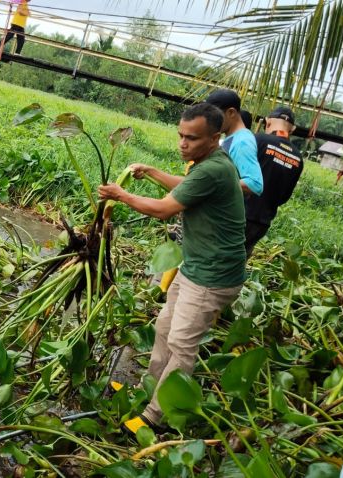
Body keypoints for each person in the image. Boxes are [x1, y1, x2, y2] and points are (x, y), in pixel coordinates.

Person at [97, 103, 246, 432]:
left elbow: (165, 210)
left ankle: (156, 417)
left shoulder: (213, 169)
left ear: (215, 138)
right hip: (194, 266)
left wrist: (122, 195)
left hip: (213, 276)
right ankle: (149, 390)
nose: (183, 144)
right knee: (164, 328)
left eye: (191, 138)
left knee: (182, 346)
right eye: (180, 135)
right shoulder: (206, 164)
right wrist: (151, 171)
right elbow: (185, 186)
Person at [244, 106, 303, 256]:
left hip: (238, 214)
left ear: (268, 122)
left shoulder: (258, 139)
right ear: (293, 129)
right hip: (261, 223)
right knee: (237, 264)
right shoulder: (298, 158)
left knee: (214, 261)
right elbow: (284, 197)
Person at [205, 90, 263, 196]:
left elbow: (254, 184)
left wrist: (211, 184)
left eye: (215, 116)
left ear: (231, 112)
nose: (211, 122)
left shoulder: (242, 142)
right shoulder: (232, 138)